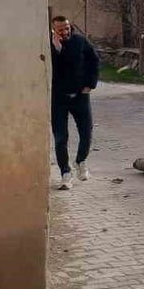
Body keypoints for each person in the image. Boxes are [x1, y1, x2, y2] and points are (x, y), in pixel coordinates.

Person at [50, 16, 99, 190]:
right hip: (58, 98)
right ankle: (65, 173)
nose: (65, 31)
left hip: (80, 95)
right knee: (61, 138)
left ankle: (80, 161)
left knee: (86, 132)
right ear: (53, 30)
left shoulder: (80, 41)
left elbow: (94, 60)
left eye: (67, 27)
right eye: (61, 29)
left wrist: (90, 85)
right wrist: (57, 50)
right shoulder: (49, 46)